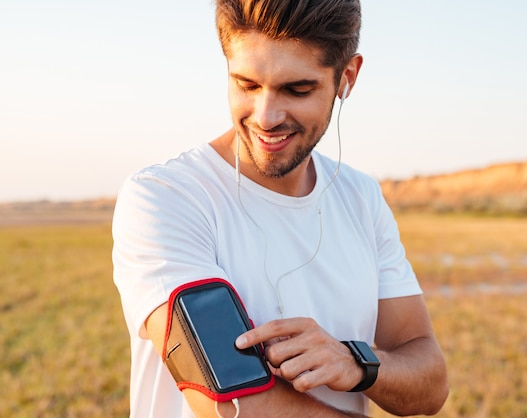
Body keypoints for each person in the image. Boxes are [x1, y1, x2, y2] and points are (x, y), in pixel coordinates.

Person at [112, 0, 448, 417]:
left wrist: (356, 363)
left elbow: (430, 383)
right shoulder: (166, 196)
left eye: (297, 89)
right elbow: (230, 400)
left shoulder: (361, 197)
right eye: (247, 85)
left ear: (347, 77)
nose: (265, 116)